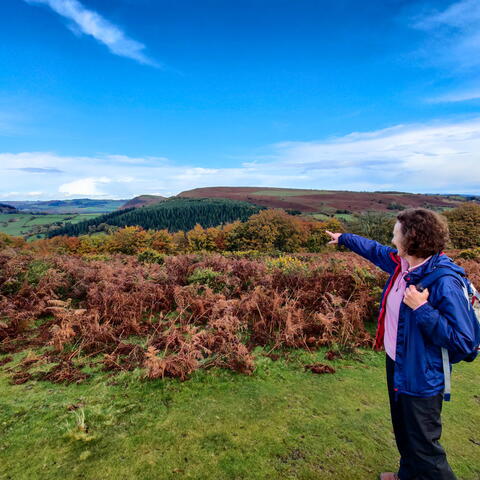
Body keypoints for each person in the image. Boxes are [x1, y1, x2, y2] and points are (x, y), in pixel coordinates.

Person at [326, 208, 477, 480]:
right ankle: (406, 475)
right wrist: (344, 237)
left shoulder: (443, 281)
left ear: (411, 240)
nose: (392, 238)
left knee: (425, 449)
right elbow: (374, 250)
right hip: (397, 361)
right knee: (404, 430)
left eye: (396, 233)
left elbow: (464, 343)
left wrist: (422, 309)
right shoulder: (403, 264)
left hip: (422, 373)